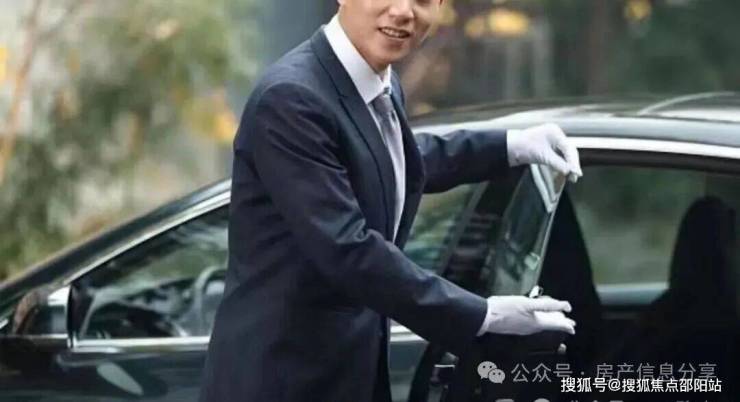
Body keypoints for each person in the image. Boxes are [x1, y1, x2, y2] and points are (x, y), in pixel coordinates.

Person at [200, 1, 582, 401]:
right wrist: (485, 315)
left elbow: (395, 161)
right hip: (283, 379)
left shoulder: (378, 81)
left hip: (349, 369)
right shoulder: (291, 99)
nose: (403, 11)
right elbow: (349, 250)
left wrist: (511, 145)